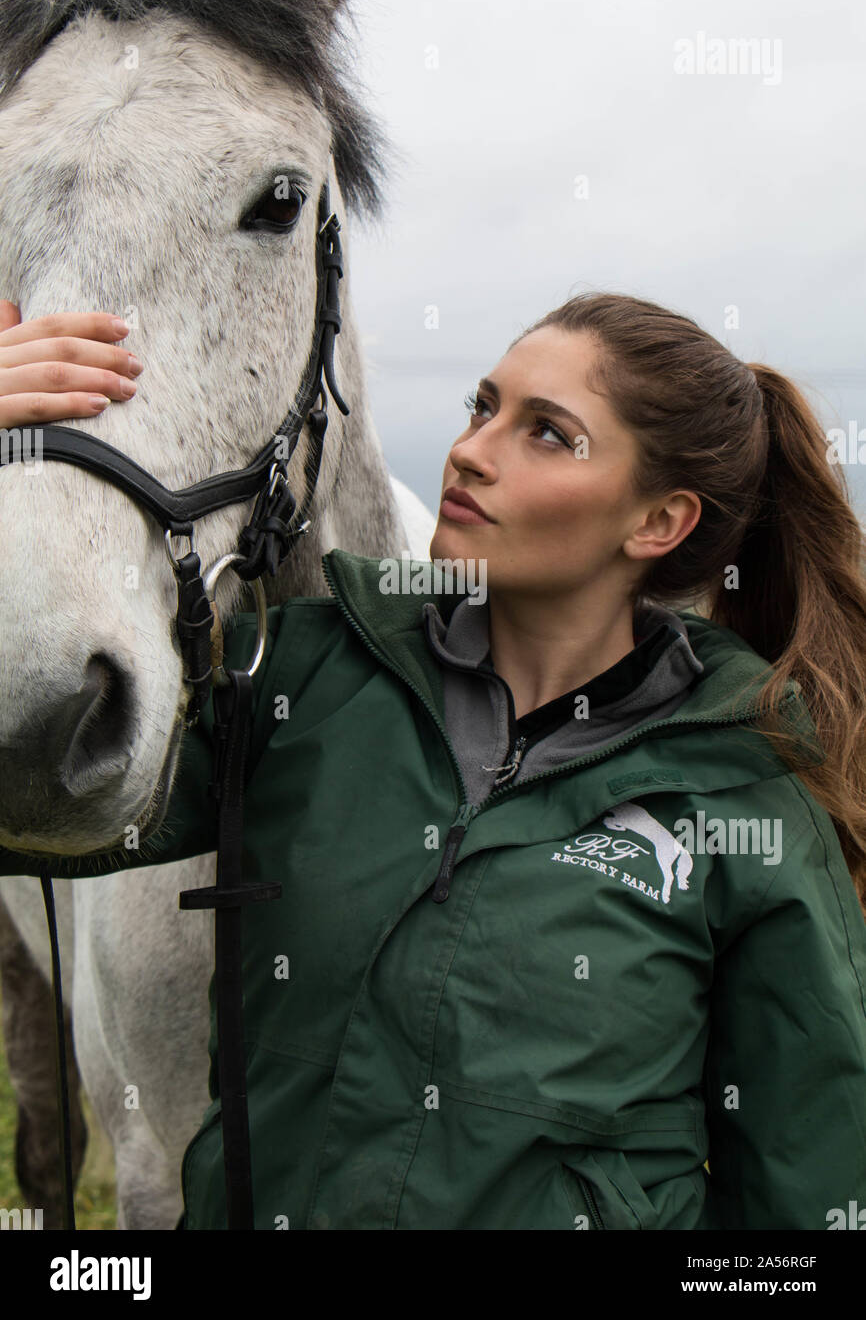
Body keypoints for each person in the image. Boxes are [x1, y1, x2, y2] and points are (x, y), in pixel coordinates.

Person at [2, 291, 865, 1231]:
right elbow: (34, 802)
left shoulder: (744, 788)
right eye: (483, 406)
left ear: (657, 522)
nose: (472, 450)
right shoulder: (300, 676)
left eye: (546, 434)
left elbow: (802, 1190)